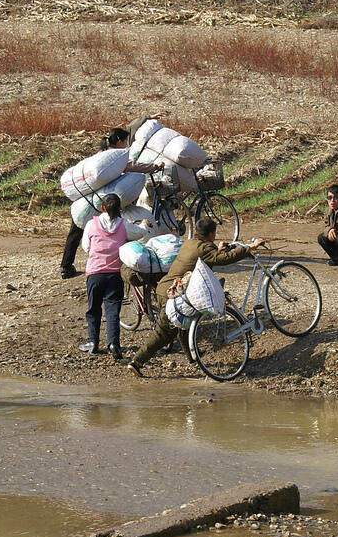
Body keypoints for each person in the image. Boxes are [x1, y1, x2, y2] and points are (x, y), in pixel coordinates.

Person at [127, 218, 266, 377]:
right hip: (172, 293)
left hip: (165, 288)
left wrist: (218, 249)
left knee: (184, 322)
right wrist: (250, 248)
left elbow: (206, 257)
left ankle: (192, 357)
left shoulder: (190, 242)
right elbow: (224, 259)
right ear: (211, 234)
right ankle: (136, 362)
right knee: (165, 333)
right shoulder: (204, 249)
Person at [60, 126, 163, 279]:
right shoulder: (115, 156)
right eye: (125, 141)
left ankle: (65, 266)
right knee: (118, 228)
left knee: (75, 233)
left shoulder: (102, 156)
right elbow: (131, 165)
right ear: (120, 141)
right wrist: (153, 167)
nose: (126, 145)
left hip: (86, 201)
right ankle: (114, 262)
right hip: (105, 202)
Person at [79, 193, 128, 359]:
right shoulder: (124, 225)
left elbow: (86, 246)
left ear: (102, 208)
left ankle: (93, 343)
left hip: (95, 274)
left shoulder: (91, 224)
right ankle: (113, 344)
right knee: (112, 311)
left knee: (93, 309)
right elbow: (139, 233)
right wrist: (144, 224)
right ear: (119, 208)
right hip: (115, 275)